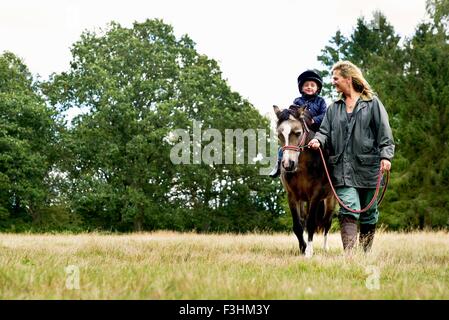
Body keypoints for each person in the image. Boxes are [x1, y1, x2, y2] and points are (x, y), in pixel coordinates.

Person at [308, 61, 395, 253]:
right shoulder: (333, 108)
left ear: (348, 79)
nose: (333, 82)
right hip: (342, 169)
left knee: (369, 212)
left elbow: (384, 133)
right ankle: (350, 255)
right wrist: (319, 141)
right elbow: (324, 131)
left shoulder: (372, 104)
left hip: (369, 167)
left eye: (336, 78)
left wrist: (386, 156)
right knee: (348, 208)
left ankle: (365, 253)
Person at [269, 69, 327, 178]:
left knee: (328, 143)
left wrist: (314, 120)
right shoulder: (298, 101)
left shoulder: (321, 101)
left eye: (312, 85)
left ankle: (330, 165)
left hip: (316, 129)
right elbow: (293, 112)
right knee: (285, 144)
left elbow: (324, 114)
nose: (309, 87)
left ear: (317, 88)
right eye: (306, 85)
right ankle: (278, 165)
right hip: (301, 127)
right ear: (301, 88)